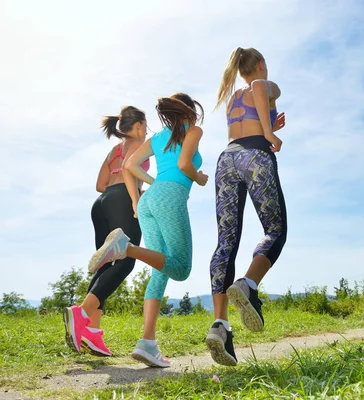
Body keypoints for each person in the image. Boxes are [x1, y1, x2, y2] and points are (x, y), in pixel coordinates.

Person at [82, 93, 207, 368]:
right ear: (189, 112)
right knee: (181, 268)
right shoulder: (193, 130)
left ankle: (148, 343)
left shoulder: (158, 137)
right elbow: (185, 165)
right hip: (170, 196)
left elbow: (129, 165)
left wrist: (140, 200)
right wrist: (199, 178)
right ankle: (125, 248)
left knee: (160, 270)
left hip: (149, 200)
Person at [206, 47, 287, 366]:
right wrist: (271, 135)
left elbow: (246, 122)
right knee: (276, 231)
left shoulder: (232, 97)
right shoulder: (265, 84)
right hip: (255, 156)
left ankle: (220, 325)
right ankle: (248, 285)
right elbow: (260, 88)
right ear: (261, 65)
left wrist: (268, 126)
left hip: (227, 159)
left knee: (226, 242)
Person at [63, 106, 149, 357]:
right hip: (122, 199)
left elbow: (100, 185)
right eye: (145, 125)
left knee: (105, 266)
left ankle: (91, 333)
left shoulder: (114, 150)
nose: (146, 129)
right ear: (139, 125)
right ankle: (80, 313)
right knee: (126, 261)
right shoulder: (141, 144)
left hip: (102, 203)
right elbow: (128, 170)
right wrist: (135, 200)